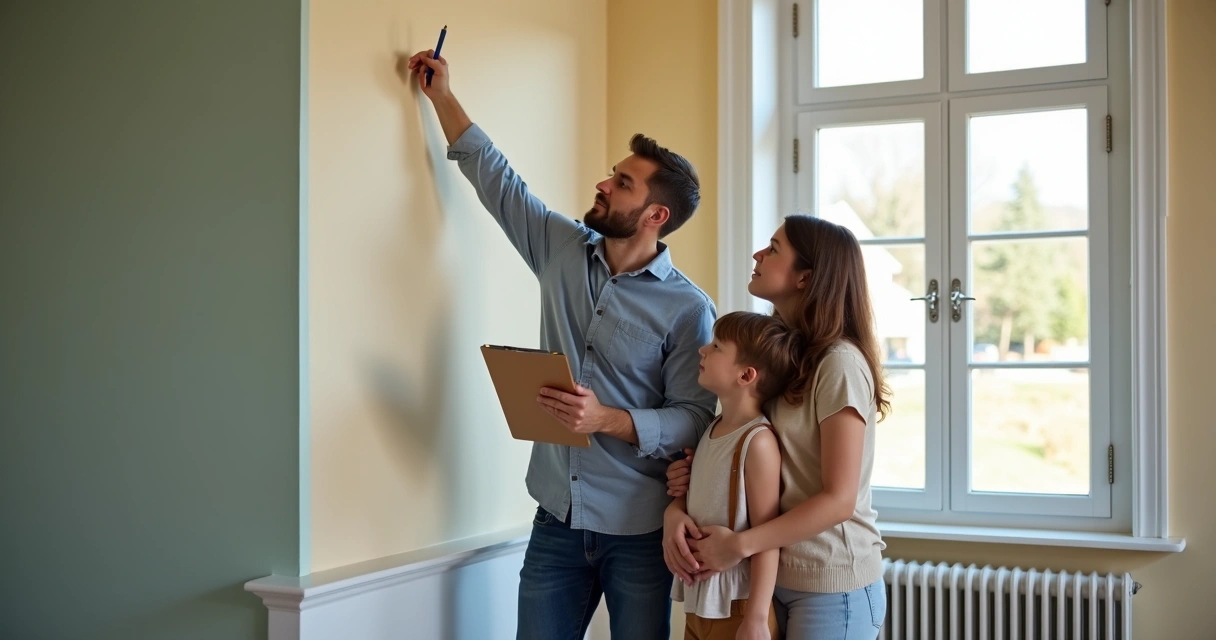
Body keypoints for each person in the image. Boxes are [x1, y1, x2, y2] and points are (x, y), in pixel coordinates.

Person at [401, 49, 718, 640]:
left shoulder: (689, 308)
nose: (603, 183)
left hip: (640, 530)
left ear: (655, 214)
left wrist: (608, 419)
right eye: (612, 173)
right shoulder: (561, 247)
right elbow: (497, 179)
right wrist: (441, 96)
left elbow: (696, 418)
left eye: (621, 183)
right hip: (555, 516)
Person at [665, 215, 890, 639]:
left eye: (773, 249)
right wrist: (680, 502)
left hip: (831, 585)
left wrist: (740, 545)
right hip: (768, 579)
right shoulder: (779, 357)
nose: (757, 255)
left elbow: (839, 500)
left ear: (805, 277)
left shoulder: (839, 364)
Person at [665, 312, 804, 640]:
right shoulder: (711, 429)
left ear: (746, 375)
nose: (702, 350)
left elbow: (767, 537)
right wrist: (675, 509)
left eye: (716, 346)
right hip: (700, 606)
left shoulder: (758, 442)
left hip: (738, 608)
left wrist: (756, 618)